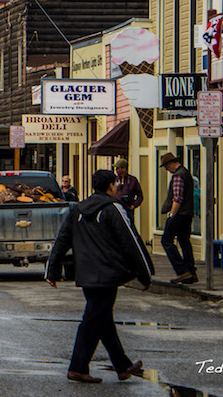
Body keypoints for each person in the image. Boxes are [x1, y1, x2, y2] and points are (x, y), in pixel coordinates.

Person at [45, 169, 152, 384]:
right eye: (114, 184)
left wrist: (52, 269)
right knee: (93, 319)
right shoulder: (113, 209)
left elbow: (62, 239)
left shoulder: (78, 209)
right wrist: (145, 273)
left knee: (102, 318)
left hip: (86, 273)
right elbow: (130, 241)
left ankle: (122, 366)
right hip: (107, 273)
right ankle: (77, 367)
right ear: (111, 186)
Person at [159, 152, 196, 284]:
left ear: (170, 164)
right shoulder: (186, 173)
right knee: (184, 241)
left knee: (166, 240)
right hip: (188, 213)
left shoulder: (178, 176)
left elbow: (177, 198)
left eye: (166, 167)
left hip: (179, 214)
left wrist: (171, 215)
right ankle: (191, 271)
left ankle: (182, 270)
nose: (166, 170)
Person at [114, 158, 143, 225]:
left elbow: (140, 195)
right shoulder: (115, 180)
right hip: (117, 210)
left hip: (128, 210)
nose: (116, 170)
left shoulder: (132, 180)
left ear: (124, 169)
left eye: (118, 168)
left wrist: (134, 205)